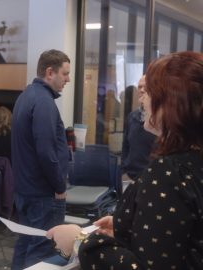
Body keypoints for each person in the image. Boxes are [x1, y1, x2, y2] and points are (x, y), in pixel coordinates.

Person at [47, 51, 203, 270]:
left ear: (170, 104)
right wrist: (128, 227)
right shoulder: (192, 164)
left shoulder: (169, 174)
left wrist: (79, 241)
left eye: (149, 92)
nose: (142, 98)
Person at [11, 49, 71, 269]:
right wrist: (59, 185)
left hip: (25, 190)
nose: (68, 79)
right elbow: (46, 151)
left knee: (25, 244)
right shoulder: (44, 102)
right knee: (41, 250)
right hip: (43, 193)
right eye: (65, 74)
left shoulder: (25, 96)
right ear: (49, 72)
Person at [121, 75, 156, 183]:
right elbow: (126, 145)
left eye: (145, 87)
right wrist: (124, 167)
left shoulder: (161, 119)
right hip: (132, 177)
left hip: (153, 177)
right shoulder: (133, 116)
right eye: (139, 87)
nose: (142, 90)